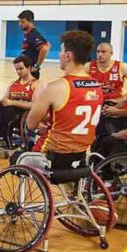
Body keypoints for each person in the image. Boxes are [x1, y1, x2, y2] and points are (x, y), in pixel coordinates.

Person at [26, 30, 103, 166]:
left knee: (17, 159)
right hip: (82, 155)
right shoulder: (96, 86)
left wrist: (46, 118)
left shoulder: (54, 87)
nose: (59, 55)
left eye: (61, 51)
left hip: (53, 155)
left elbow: (30, 124)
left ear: (68, 56)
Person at [0, 55, 39, 148]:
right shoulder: (13, 84)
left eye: (21, 68)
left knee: (7, 110)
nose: (18, 71)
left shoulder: (36, 84)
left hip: (25, 114)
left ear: (29, 68)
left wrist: (13, 103)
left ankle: (3, 138)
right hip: (10, 112)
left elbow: (35, 105)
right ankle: (0, 137)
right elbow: (5, 99)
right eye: (16, 69)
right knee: (1, 108)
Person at [18, 10, 50, 80]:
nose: (20, 24)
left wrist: (36, 66)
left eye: (23, 22)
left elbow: (44, 48)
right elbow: (48, 44)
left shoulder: (33, 34)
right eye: (19, 21)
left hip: (31, 72)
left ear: (30, 21)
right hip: (26, 70)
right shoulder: (29, 34)